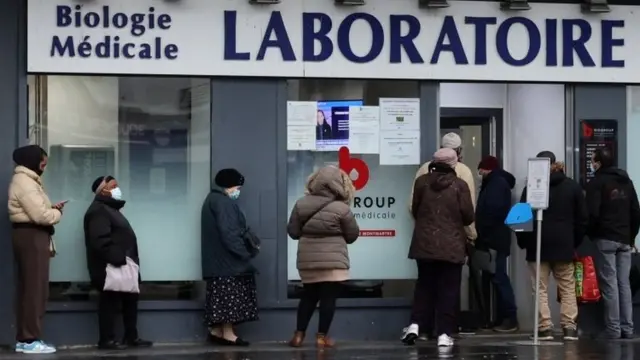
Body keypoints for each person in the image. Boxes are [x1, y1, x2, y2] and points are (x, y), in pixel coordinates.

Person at [404, 133, 477, 342]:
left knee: (424, 285)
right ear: (457, 156)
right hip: (452, 243)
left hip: (424, 242)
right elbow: (468, 215)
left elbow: (413, 208)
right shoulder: (461, 180)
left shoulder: (421, 180)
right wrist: (471, 237)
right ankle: (444, 333)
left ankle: (416, 325)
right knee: (448, 289)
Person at [517, 151, 587, 341]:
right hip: (564, 246)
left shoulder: (531, 187)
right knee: (567, 287)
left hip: (537, 246)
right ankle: (569, 327)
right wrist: (574, 241)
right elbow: (582, 220)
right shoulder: (572, 186)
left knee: (539, 289)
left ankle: (545, 327)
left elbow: (521, 219)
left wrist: (524, 243)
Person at [287, 166, 359, 348]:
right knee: (328, 298)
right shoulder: (341, 208)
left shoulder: (301, 204)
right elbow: (352, 236)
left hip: (308, 260)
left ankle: (298, 335)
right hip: (334, 261)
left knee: (309, 296)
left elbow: (293, 232)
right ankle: (322, 337)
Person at [84, 175, 153, 350]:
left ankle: (131, 336)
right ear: (104, 190)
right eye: (113, 185)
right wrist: (118, 258)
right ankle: (107, 339)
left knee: (130, 299)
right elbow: (100, 240)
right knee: (109, 301)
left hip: (125, 264)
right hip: (110, 266)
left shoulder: (111, 209)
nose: (117, 189)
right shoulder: (99, 211)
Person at [8, 145, 64, 354]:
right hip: (32, 236)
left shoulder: (27, 181)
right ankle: (30, 339)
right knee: (35, 290)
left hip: (30, 235)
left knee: (31, 288)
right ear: (32, 161)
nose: (44, 167)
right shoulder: (25, 182)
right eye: (42, 162)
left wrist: (50, 211)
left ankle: (26, 338)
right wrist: (57, 214)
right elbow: (41, 216)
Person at [585, 148, 640, 340]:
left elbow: (592, 213)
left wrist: (591, 234)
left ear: (598, 163)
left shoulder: (596, 183)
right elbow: (636, 211)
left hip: (605, 238)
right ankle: (628, 328)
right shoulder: (627, 181)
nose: (591, 164)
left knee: (609, 284)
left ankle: (613, 329)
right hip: (624, 239)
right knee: (623, 284)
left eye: (593, 160)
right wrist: (631, 237)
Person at [201, 168, 258, 346]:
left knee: (220, 297)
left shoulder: (212, 199)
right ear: (228, 186)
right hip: (227, 263)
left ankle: (217, 331)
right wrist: (244, 253)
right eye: (237, 187)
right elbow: (230, 233)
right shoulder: (223, 203)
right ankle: (228, 333)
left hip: (218, 262)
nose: (238, 191)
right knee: (229, 298)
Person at [475, 156, 519, 332]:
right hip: (495, 239)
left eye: (480, 171)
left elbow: (491, 213)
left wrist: (482, 234)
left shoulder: (496, 184)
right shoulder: (497, 183)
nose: (479, 174)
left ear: (488, 169)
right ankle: (499, 318)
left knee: (499, 278)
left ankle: (510, 318)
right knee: (495, 278)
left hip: (493, 240)